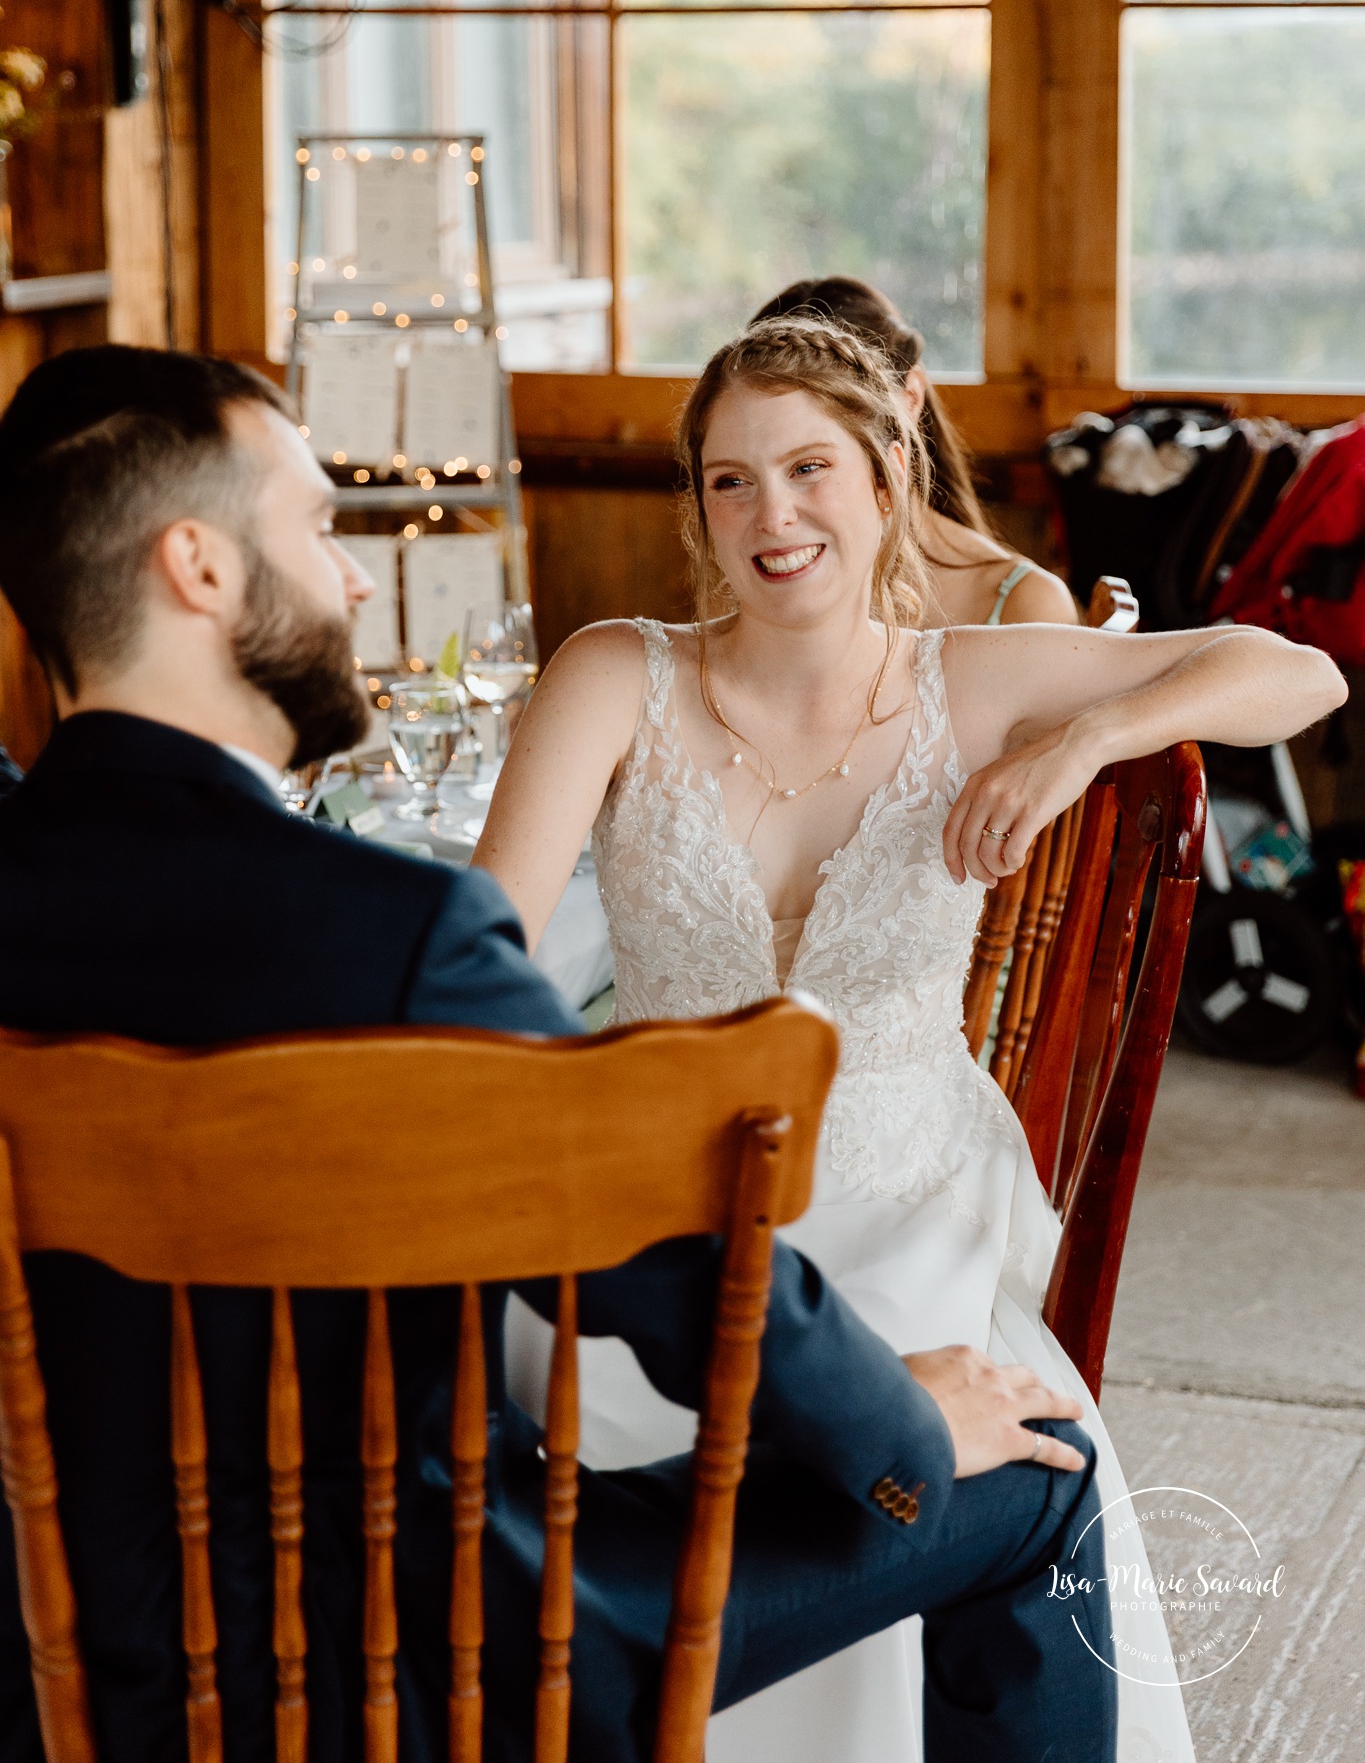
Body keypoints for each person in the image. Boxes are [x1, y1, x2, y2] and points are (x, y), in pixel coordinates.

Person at [0, 344, 1118, 1763]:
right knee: (1041, 1481)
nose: (352, 583)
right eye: (320, 530)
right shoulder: (395, 937)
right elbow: (680, 1266)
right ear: (201, 569)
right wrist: (902, 1424)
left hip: (46, 1654)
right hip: (420, 1657)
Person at [474, 314, 1347, 1763]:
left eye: (809, 467)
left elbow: (1293, 672)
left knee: (960, 1428)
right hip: (666, 1216)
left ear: (886, 475)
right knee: (610, 1408)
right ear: (695, 505)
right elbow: (475, 956)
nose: (773, 515)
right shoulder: (615, 672)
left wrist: (1087, 738)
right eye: (730, 481)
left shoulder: (974, 676)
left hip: (900, 1185)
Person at [754, 276, 1077, 627]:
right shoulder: (767, 568)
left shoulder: (1026, 604)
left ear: (910, 396)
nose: (773, 517)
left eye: (810, 465)